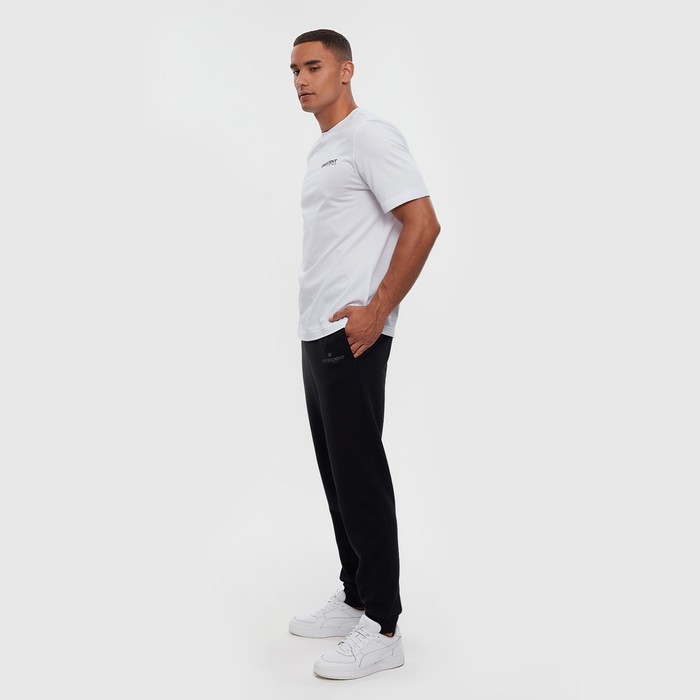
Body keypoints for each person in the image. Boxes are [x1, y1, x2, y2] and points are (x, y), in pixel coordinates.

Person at [287, 28, 441, 680]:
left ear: (346, 71)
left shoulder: (370, 135)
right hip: (316, 334)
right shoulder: (323, 148)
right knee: (336, 475)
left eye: (313, 67)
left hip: (353, 336)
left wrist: (377, 310)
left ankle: (383, 626)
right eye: (294, 70)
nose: (301, 80)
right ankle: (355, 594)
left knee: (360, 476)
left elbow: (423, 222)